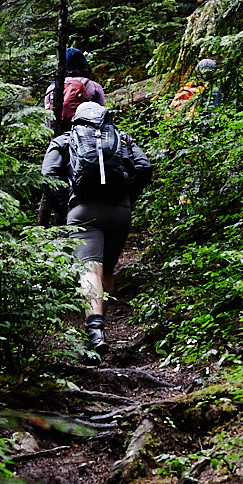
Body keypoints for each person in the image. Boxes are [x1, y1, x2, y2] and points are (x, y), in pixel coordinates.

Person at [40, 97, 154, 359]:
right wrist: (128, 196)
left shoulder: (66, 139)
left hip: (83, 211)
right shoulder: (120, 138)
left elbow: (48, 175)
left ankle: (95, 330)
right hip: (119, 211)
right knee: (108, 267)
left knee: (90, 267)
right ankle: (106, 322)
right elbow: (144, 167)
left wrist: (64, 206)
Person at [42, 45, 105, 125]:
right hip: (86, 134)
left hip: (59, 135)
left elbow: (48, 118)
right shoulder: (93, 87)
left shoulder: (52, 88)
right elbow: (103, 115)